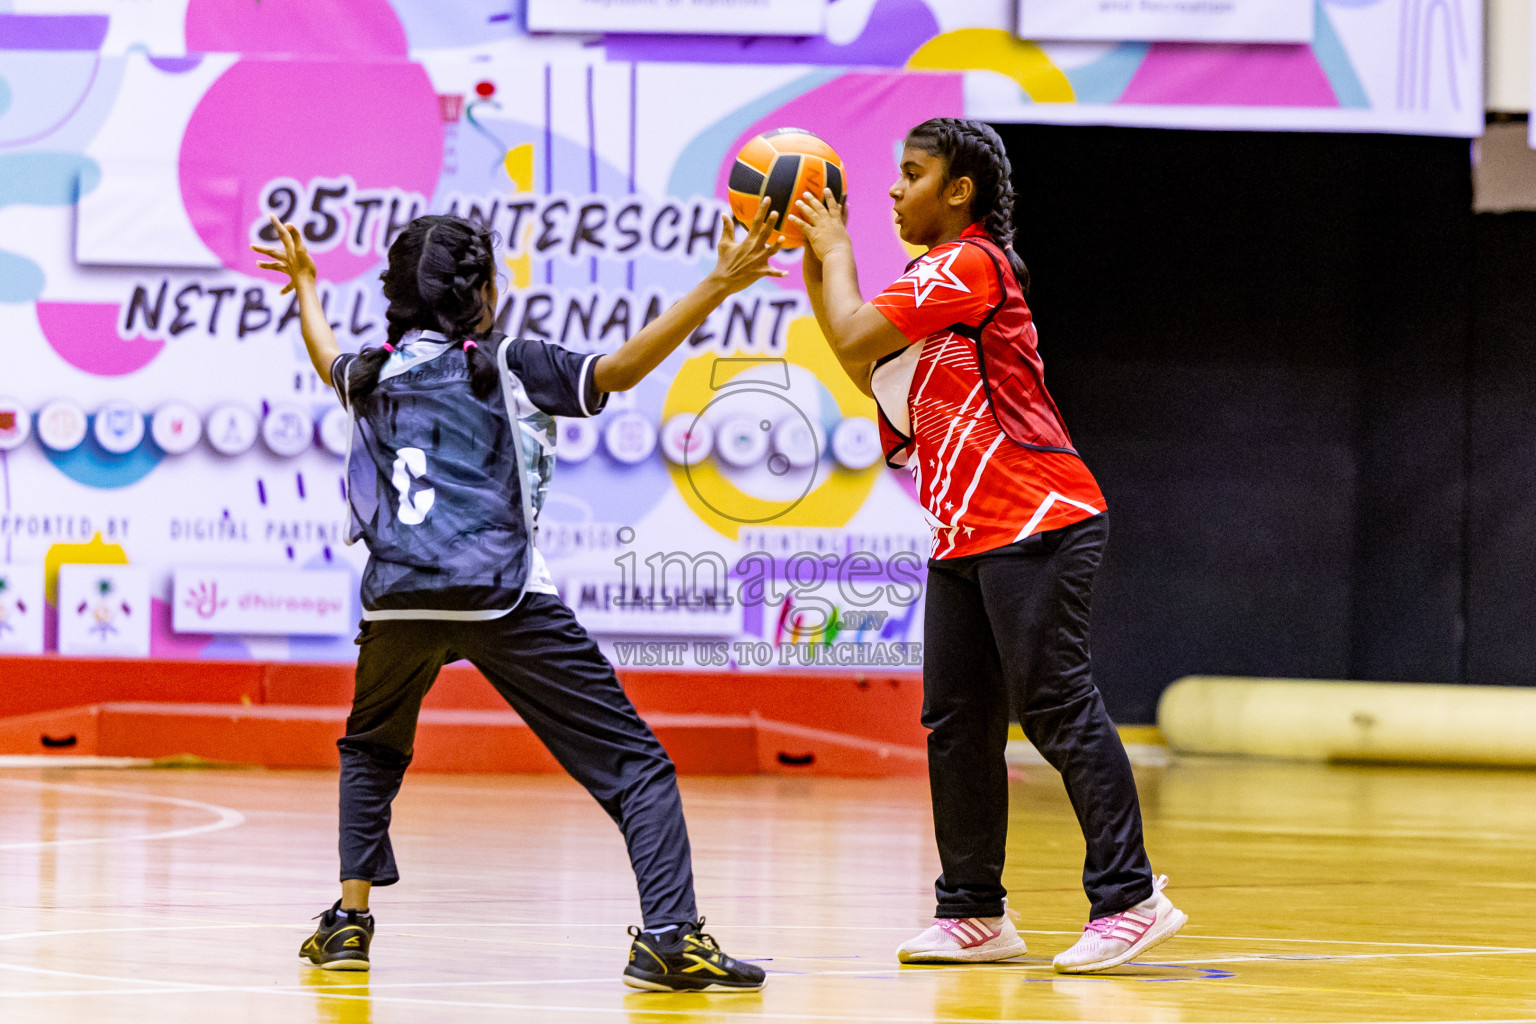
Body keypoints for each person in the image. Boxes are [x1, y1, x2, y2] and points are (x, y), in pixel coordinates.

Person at [252, 199, 784, 991]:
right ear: (485, 292)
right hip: (501, 595)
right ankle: (670, 938)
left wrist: (304, 288)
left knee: (370, 749)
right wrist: (716, 285)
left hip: (396, 598)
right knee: (636, 766)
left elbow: (325, 352)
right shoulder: (508, 362)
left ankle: (349, 925)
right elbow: (620, 371)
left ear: (397, 295)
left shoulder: (371, 372)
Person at [788, 118, 1187, 974]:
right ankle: (973, 911)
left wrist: (834, 246)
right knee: (957, 722)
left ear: (958, 191)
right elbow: (859, 359)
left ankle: (1130, 896)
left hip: (1038, 513)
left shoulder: (968, 265)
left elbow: (857, 335)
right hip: (968, 528)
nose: (894, 188)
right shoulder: (929, 282)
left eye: (911, 173)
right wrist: (825, 258)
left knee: (1054, 705)